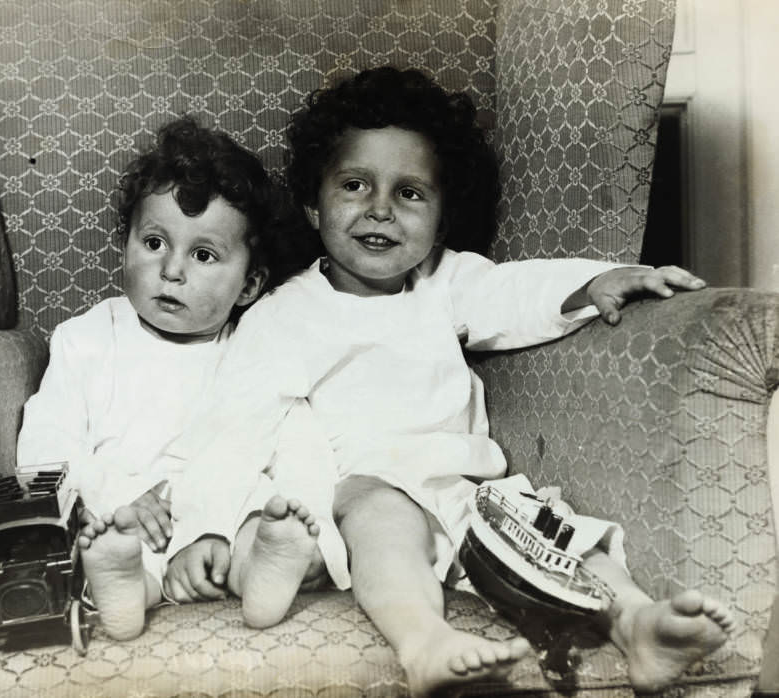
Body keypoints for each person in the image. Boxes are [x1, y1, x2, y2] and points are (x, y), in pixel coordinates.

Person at [172, 67, 736, 696]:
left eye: (410, 193)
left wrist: (597, 281)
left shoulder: (444, 282)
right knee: (382, 527)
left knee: (560, 534)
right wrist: (208, 528)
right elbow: (230, 430)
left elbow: (514, 291)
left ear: (441, 222)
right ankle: (425, 643)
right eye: (355, 185)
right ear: (313, 201)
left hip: (472, 489)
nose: (379, 209)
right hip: (371, 486)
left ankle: (636, 626)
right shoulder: (282, 315)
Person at [16, 116, 346, 641]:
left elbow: (299, 439)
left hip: (222, 514)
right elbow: (44, 446)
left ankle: (262, 571)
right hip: (120, 507)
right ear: (125, 243)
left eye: (204, 255)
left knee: (262, 516)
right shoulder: (87, 338)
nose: (171, 271)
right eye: (153, 243)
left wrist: (316, 533)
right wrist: (111, 498)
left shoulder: (253, 351)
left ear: (249, 285)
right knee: (114, 544)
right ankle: (125, 589)